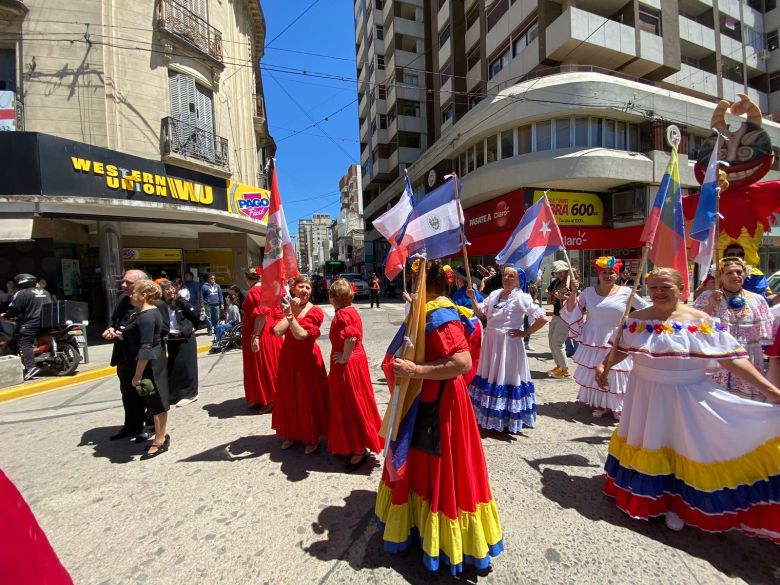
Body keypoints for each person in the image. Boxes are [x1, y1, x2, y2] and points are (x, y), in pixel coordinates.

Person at [596, 267, 780, 538]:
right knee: (650, 443)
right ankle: (646, 495)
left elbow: (732, 359)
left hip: (686, 396)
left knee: (684, 447)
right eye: (654, 287)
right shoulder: (635, 318)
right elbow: (620, 350)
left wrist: (772, 392)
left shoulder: (699, 319)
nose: (659, 292)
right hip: (644, 394)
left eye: (666, 287)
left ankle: (679, 505)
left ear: (682, 289)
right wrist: (603, 366)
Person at [376, 260, 504, 574]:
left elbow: (460, 362)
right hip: (426, 397)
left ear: (424, 282)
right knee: (423, 463)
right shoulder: (428, 309)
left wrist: (415, 370)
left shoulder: (440, 314)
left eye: (413, 278)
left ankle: (448, 542)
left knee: (441, 465)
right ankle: (420, 526)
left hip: (440, 402)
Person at [560, 257, 649, 419]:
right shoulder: (588, 292)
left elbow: (646, 308)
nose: (608, 276)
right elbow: (571, 308)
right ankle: (601, 404)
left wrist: (632, 322)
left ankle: (618, 405)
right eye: (604, 273)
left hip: (617, 338)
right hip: (593, 337)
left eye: (611, 272)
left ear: (617, 274)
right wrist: (573, 291)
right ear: (598, 274)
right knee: (596, 369)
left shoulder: (627, 292)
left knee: (616, 371)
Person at [467, 265, 549, 433]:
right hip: (491, 342)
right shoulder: (495, 294)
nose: (507, 278)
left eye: (512, 276)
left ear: (519, 280)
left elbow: (542, 318)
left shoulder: (522, 297)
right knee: (492, 375)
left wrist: (525, 332)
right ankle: (490, 415)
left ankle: (507, 418)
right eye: (505, 275)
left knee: (507, 377)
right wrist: (473, 298)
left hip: (509, 344)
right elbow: (480, 312)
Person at [693, 256, 773, 402]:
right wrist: (711, 304)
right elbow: (695, 327)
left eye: (739, 272)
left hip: (748, 357)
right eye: (729, 273)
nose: (735, 276)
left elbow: (767, 334)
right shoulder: (707, 296)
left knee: (747, 404)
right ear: (720, 276)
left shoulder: (757, 299)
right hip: (718, 356)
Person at [102, 270, 169, 441]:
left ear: (142, 285)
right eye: (123, 282)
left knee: (150, 393)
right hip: (125, 356)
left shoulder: (156, 305)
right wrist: (112, 329)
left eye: (129, 283)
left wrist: (135, 332)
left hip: (146, 357)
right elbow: (114, 321)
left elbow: (163, 330)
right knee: (128, 393)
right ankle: (132, 425)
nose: (124, 286)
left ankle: (151, 427)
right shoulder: (123, 300)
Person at [326, 278, 382, 471]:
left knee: (351, 403)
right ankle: (354, 443)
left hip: (349, 363)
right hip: (355, 360)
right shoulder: (350, 311)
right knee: (355, 401)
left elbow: (351, 337)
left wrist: (344, 357)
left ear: (334, 297)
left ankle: (358, 449)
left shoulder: (342, 314)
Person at [272, 275, 329, 454]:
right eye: (301, 287)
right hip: (289, 357)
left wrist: (290, 314)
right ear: (293, 289)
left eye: (308, 288)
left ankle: (313, 436)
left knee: (309, 397)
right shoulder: (287, 307)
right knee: (291, 396)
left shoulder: (316, 311)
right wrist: (292, 312)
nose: (304, 290)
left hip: (308, 358)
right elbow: (277, 331)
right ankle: (292, 433)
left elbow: (301, 335)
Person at [122, 279, 171, 459]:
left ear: (144, 295)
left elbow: (146, 347)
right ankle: (160, 436)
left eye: (134, 291)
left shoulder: (148, 316)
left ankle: (159, 439)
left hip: (150, 363)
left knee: (157, 401)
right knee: (153, 401)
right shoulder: (145, 313)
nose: (131, 294)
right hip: (151, 361)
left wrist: (137, 374)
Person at [242, 268, 282, 412]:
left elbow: (261, 315)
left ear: (248, 278)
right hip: (269, 331)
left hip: (260, 332)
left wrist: (256, 336)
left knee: (262, 366)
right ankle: (261, 397)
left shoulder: (254, 291)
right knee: (265, 365)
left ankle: (270, 399)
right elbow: (277, 313)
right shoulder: (269, 289)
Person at [3, 273, 51, 380]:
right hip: (47, 322)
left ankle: (31, 368)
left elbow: (14, 309)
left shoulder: (21, 293)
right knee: (42, 340)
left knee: (25, 343)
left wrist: (5, 315)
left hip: (32, 322)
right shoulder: (45, 292)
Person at [160, 280, 199, 407]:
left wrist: (188, 329)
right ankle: (175, 394)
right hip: (171, 339)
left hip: (185, 338)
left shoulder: (182, 302)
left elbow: (195, 316)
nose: (170, 291)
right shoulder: (161, 305)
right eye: (166, 289)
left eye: (171, 288)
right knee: (174, 366)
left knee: (188, 366)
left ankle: (191, 394)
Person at [450, 266, 483, 386]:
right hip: (477, 326)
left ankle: (466, 384)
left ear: (459, 280)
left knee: (466, 356)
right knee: (475, 357)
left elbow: (455, 313)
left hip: (466, 328)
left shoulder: (459, 294)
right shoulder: (475, 292)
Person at [546, 260, 572, 378]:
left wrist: (563, 296)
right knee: (551, 341)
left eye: (562, 272)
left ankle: (565, 370)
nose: (560, 274)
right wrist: (551, 294)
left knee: (557, 342)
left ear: (566, 271)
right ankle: (559, 366)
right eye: (557, 272)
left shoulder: (571, 282)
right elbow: (548, 290)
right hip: (556, 314)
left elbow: (575, 298)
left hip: (566, 316)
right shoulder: (557, 281)